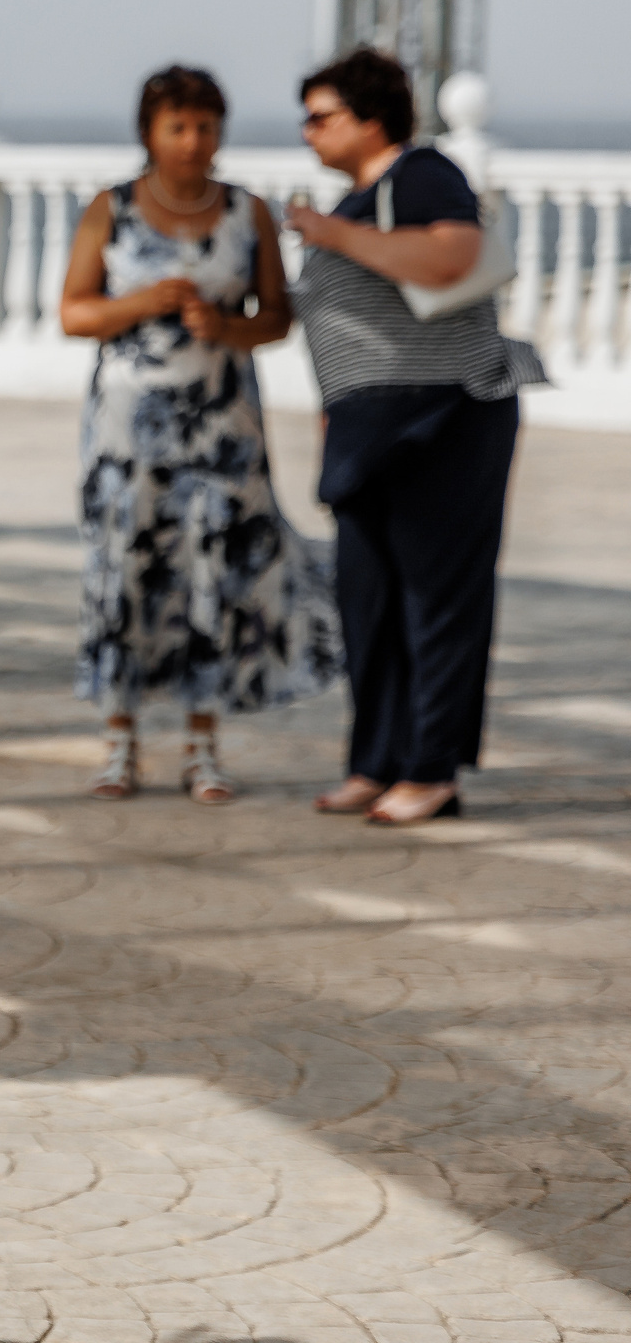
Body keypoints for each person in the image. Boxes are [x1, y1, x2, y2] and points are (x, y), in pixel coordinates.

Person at [56, 66, 341, 804]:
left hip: (222, 427)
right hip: (128, 430)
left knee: (213, 570)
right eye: (178, 126)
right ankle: (119, 743)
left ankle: (203, 746)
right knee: (124, 570)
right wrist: (143, 301)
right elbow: (74, 313)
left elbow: (277, 318)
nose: (193, 141)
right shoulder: (110, 210)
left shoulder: (247, 213)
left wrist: (226, 326)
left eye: (207, 126)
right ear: (149, 131)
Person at [286, 47, 542, 827]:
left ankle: (431, 770)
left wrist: (328, 234)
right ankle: (376, 760)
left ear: (370, 118)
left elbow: (453, 255)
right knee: (368, 597)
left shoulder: (421, 173)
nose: (309, 133)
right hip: (370, 424)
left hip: (444, 416)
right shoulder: (363, 200)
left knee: (437, 597)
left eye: (322, 116)